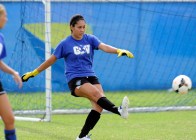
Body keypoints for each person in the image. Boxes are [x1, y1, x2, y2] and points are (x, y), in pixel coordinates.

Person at [21, 14, 134, 140]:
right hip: (75, 79)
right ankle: (118, 110)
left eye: (84, 27)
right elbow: (50, 61)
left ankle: (82, 137)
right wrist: (34, 73)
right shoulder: (65, 44)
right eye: (79, 27)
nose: (82, 30)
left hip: (91, 76)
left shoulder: (90, 39)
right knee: (97, 96)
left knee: (99, 106)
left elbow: (104, 47)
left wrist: (118, 50)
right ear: (72, 27)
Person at [0, 4, 23, 140]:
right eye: (5, 16)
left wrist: (13, 72)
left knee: (9, 119)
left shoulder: (1, 37)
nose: (7, 19)